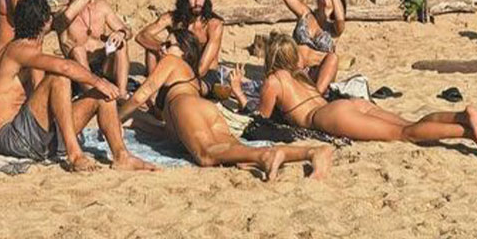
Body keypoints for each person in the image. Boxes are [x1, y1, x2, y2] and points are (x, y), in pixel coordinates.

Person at [118, 36, 332, 181]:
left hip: (186, 106)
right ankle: (311, 151)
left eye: (170, 44)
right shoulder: (188, 74)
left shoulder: (172, 61)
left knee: (206, 155)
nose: (163, 48)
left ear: (183, 51)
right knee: (235, 154)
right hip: (203, 109)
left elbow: (141, 94)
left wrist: (117, 117)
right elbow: (171, 130)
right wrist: (135, 123)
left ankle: (266, 157)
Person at [237, 33, 477, 154]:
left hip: (327, 116)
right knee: (408, 123)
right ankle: (460, 116)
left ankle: (467, 132)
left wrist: (239, 93)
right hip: (349, 104)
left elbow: (262, 118)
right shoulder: (299, 75)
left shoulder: (273, 81)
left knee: (404, 134)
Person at [0, 0, 153, 172]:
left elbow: (38, 96)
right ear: (45, 22)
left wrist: (100, 85)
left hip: (35, 135)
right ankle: (75, 155)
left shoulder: (30, 51)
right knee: (59, 77)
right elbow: (64, 67)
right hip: (14, 138)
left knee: (102, 96)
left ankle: (121, 156)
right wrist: (96, 81)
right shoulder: (18, 49)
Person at [135, 0, 224, 84]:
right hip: (176, 66)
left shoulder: (213, 25)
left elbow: (201, 69)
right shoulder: (172, 18)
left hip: (203, 76)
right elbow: (141, 36)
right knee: (151, 46)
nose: (197, 3)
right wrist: (161, 47)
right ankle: (154, 90)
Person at [55, 0, 130, 94]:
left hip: (105, 66)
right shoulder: (61, 15)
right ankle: (92, 94)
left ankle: (122, 93)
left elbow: (127, 30)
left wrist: (120, 33)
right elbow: (68, 16)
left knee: (121, 43)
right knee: (78, 50)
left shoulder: (100, 6)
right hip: (81, 75)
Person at [276, 0, 348, 94]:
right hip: (295, 70)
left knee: (333, 58)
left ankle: (316, 96)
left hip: (316, 77)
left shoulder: (334, 28)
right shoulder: (305, 13)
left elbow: (341, 18)